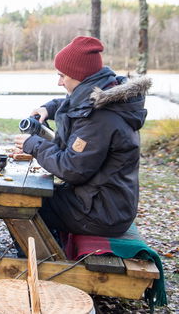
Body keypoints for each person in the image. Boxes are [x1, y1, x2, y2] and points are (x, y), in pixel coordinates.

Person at [14, 36, 151, 238]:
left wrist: (33, 144)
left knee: (23, 205)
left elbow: (71, 169)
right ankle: (51, 253)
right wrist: (48, 108)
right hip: (108, 203)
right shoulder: (106, 96)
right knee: (35, 196)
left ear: (80, 77)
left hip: (101, 214)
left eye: (63, 76)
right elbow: (78, 104)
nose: (59, 82)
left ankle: (42, 264)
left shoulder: (100, 119)